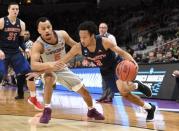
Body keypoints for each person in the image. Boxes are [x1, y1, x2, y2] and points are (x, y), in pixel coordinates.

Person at [57, 21, 156, 121]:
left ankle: (135, 86)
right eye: (80, 37)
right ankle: (149, 106)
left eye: (85, 37)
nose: (82, 40)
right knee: (124, 94)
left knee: (123, 88)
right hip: (105, 71)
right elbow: (63, 60)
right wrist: (47, 67)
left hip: (116, 66)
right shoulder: (78, 47)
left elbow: (122, 52)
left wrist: (133, 61)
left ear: (92, 36)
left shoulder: (104, 42)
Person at [29, 17, 104, 124]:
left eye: (48, 27)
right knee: (49, 78)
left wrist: (89, 56)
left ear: (51, 27)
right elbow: (34, 65)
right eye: (43, 28)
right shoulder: (38, 44)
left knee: (85, 92)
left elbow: (76, 46)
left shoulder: (62, 35)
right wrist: (51, 64)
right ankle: (47, 110)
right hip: (48, 69)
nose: (46, 30)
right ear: (38, 31)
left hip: (63, 69)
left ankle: (91, 110)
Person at [0, 2, 43, 110]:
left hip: (15, 52)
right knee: (1, 75)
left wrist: (26, 49)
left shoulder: (22, 24)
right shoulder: (2, 21)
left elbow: (20, 41)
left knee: (29, 73)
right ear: (8, 10)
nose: (15, 11)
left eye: (17, 9)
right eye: (13, 9)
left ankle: (33, 98)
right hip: (3, 52)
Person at [96, 22, 117, 103]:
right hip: (102, 62)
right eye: (100, 27)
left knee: (111, 80)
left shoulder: (110, 37)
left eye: (104, 27)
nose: (102, 29)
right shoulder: (96, 37)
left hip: (111, 61)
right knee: (104, 80)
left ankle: (110, 97)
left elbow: (115, 48)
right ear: (98, 28)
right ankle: (103, 96)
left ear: (106, 29)